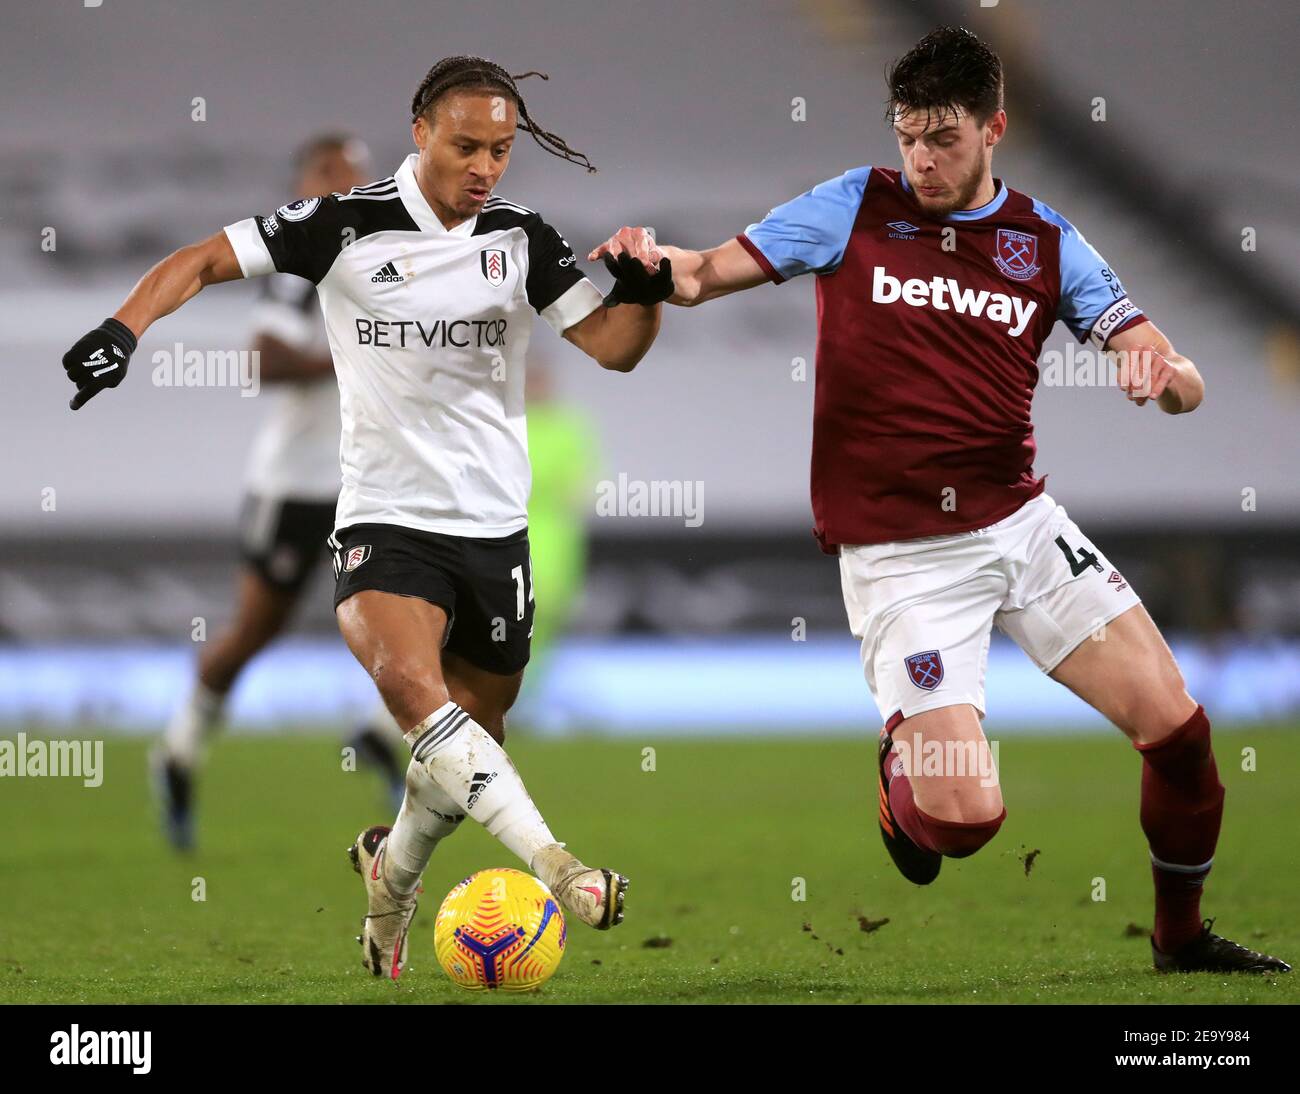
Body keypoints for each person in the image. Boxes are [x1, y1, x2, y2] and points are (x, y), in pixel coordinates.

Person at [594, 26, 1289, 974]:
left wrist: (1158, 370)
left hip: (1022, 527)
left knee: (1180, 733)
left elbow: (1182, 376)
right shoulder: (855, 206)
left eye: (944, 139)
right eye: (909, 136)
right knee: (965, 823)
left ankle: (1180, 939)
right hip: (902, 556)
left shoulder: (1043, 243)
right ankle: (900, 780)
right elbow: (705, 272)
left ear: (994, 127)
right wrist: (645, 261)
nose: (920, 158)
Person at [60, 55, 674, 980]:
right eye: (467, 145)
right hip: (383, 518)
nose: (485, 167)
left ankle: (392, 877)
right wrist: (123, 330)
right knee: (412, 692)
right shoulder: (342, 225)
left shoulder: (521, 239)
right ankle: (561, 867)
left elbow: (613, 348)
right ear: (420, 130)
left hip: (492, 528)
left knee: (472, 738)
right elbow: (199, 260)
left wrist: (648, 288)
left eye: (501, 150)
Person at [152, 134, 406, 850]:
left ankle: (380, 733)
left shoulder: (394, 259)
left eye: (353, 173)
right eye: (326, 173)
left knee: (419, 612)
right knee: (254, 632)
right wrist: (358, 351)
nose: (341, 184)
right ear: (300, 185)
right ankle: (178, 751)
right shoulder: (294, 267)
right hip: (294, 487)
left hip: (372, 480)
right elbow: (264, 359)